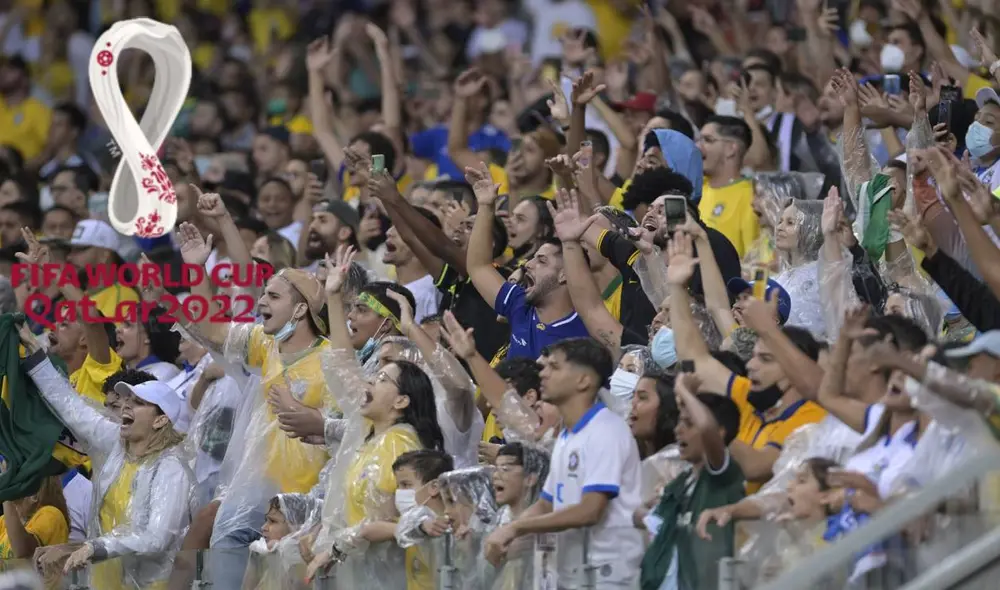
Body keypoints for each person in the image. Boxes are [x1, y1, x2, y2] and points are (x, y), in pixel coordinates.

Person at [21, 330, 191, 588]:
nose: (126, 407)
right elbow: (69, 405)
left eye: (138, 403)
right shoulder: (115, 443)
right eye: (127, 400)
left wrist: (93, 547)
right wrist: (35, 354)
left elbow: (156, 537)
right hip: (104, 582)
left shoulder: (170, 468)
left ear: (160, 419)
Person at [484, 338, 644, 588]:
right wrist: (508, 532)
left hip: (609, 578)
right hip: (572, 575)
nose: (543, 374)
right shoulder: (567, 436)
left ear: (584, 381)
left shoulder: (607, 431)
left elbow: (590, 510)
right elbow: (547, 503)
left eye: (554, 367)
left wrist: (516, 528)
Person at [465, 163, 588, 360]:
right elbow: (478, 267)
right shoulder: (520, 304)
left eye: (542, 261)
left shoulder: (582, 334)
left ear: (565, 273)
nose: (528, 265)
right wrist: (486, 205)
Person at [637, 373, 744, 590]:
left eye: (688, 423)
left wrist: (683, 390)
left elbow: (706, 427)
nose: (678, 430)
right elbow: (648, 522)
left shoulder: (721, 476)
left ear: (719, 433)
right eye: (679, 423)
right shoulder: (680, 483)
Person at [392, 449, 454, 590]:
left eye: (406, 485)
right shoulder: (413, 520)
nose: (400, 492)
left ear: (434, 487)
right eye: (398, 486)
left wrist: (423, 524)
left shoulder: (452, 525)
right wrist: (421, 525)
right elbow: (407, 525)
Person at [0, 473, 69, 559]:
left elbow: (22, 551)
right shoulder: (4, 520)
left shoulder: (51, 514)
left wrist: (6, 495)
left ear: (33, 494)